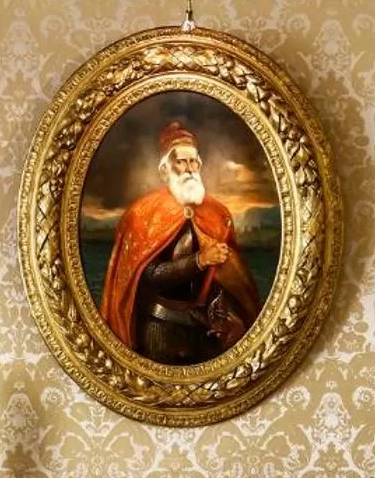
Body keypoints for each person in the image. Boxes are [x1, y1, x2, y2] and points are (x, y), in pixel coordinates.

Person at [100, 119, 261, 364]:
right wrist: (199, 260)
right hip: (160, 330)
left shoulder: (217, 214)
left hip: (205, 331)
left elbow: (225, 277)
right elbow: (148, 276)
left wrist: (227, 315)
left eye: (193, 161)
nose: (189, 169)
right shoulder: (143, 214)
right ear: (165, 170)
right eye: (181, 162)